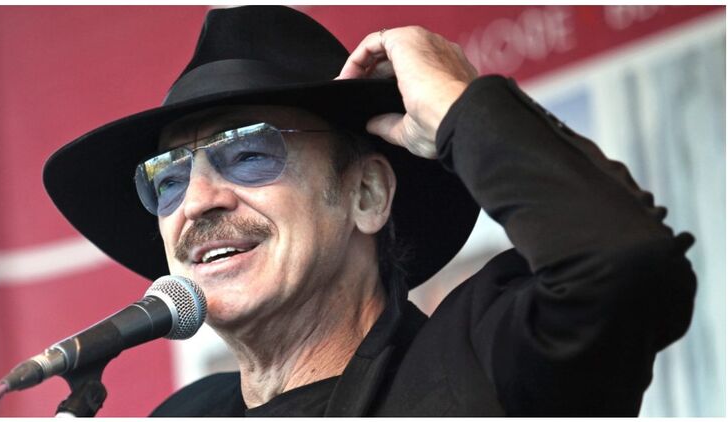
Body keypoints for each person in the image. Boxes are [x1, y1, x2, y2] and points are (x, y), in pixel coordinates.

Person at [42, 6, 696, 416]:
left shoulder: (484, 361)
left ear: (366, 196)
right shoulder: (185, 415)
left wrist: (457, 105)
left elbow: (622, 262)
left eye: (248, 154)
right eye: (168, 177)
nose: (198, 200)